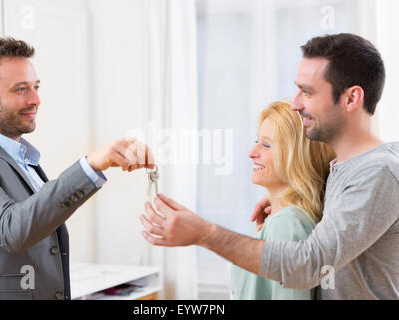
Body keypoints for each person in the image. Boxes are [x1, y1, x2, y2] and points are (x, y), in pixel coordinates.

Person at [140, 33, 399, 299]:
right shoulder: (346, 168)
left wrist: (204, 233)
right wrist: (285, 195)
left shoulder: (378, 172)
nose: (296, 103)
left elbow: (309, 265)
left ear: (351, 98)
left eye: (307, 92)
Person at [0, 37, 154, 300]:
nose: (36, 99)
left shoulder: (24, 158)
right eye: (20, 89)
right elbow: (12, 229)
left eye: (36, 87)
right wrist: (91, 165)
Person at [231, 101, 335, 300]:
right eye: (257, 141)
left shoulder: (287, 224)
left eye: (266, 144)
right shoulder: (282, 220)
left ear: (295, 156)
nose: (252, 152)